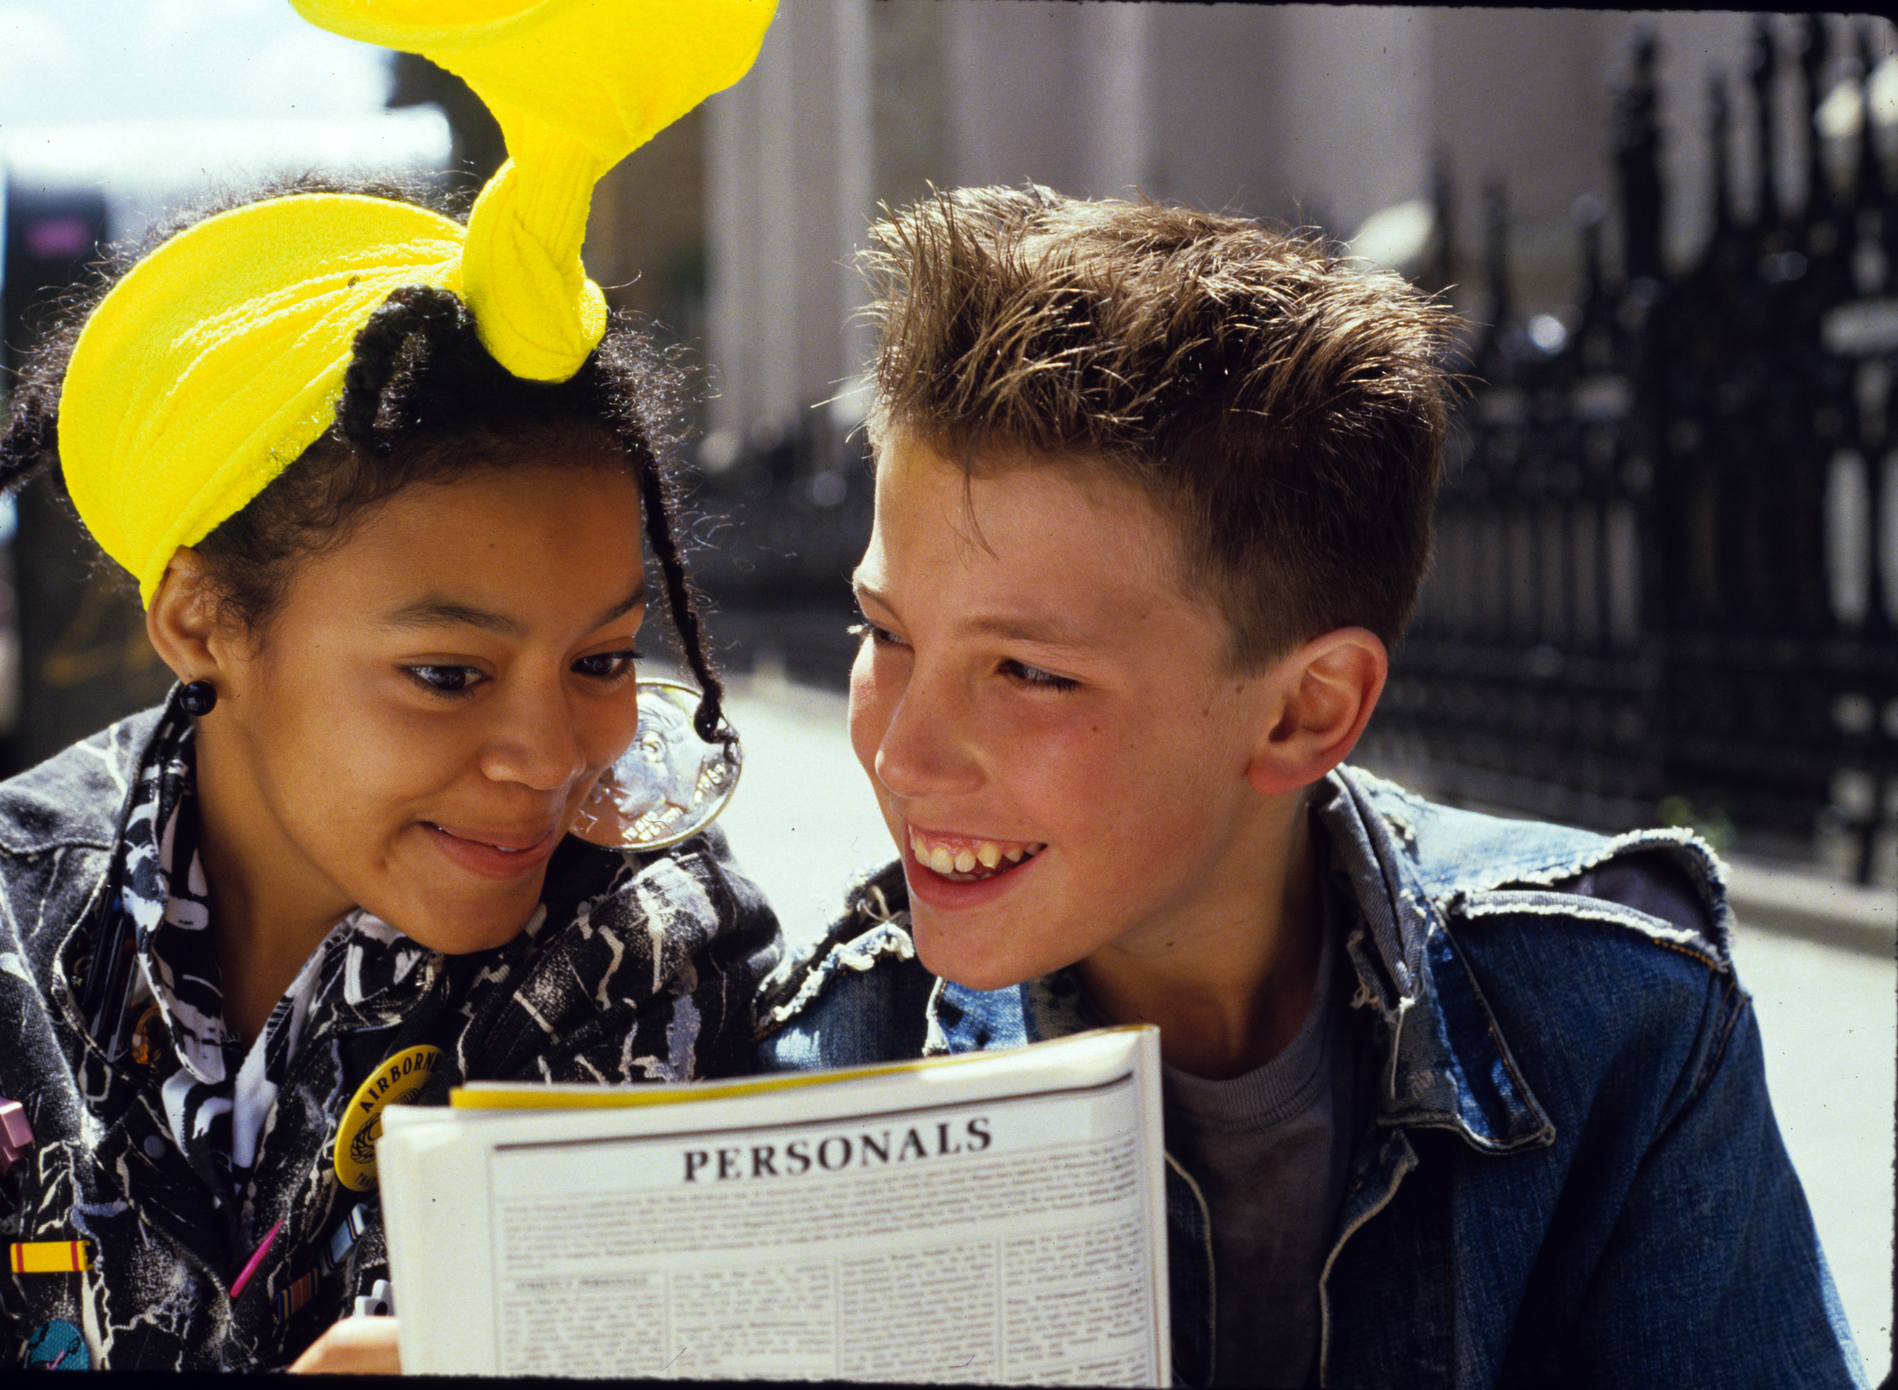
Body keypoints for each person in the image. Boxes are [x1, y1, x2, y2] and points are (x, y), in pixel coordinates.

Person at [755, 185, 1866, 1389]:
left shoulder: (1619, 1027)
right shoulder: (829, 1072)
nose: (903, 754)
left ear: (1305, 709)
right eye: (885, 631)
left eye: (1027, 671)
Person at [0, 0, 781, 1370]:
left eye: (598, 658)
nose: (547, 751)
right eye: (447, 672)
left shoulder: (654, 944)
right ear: (203, 618)